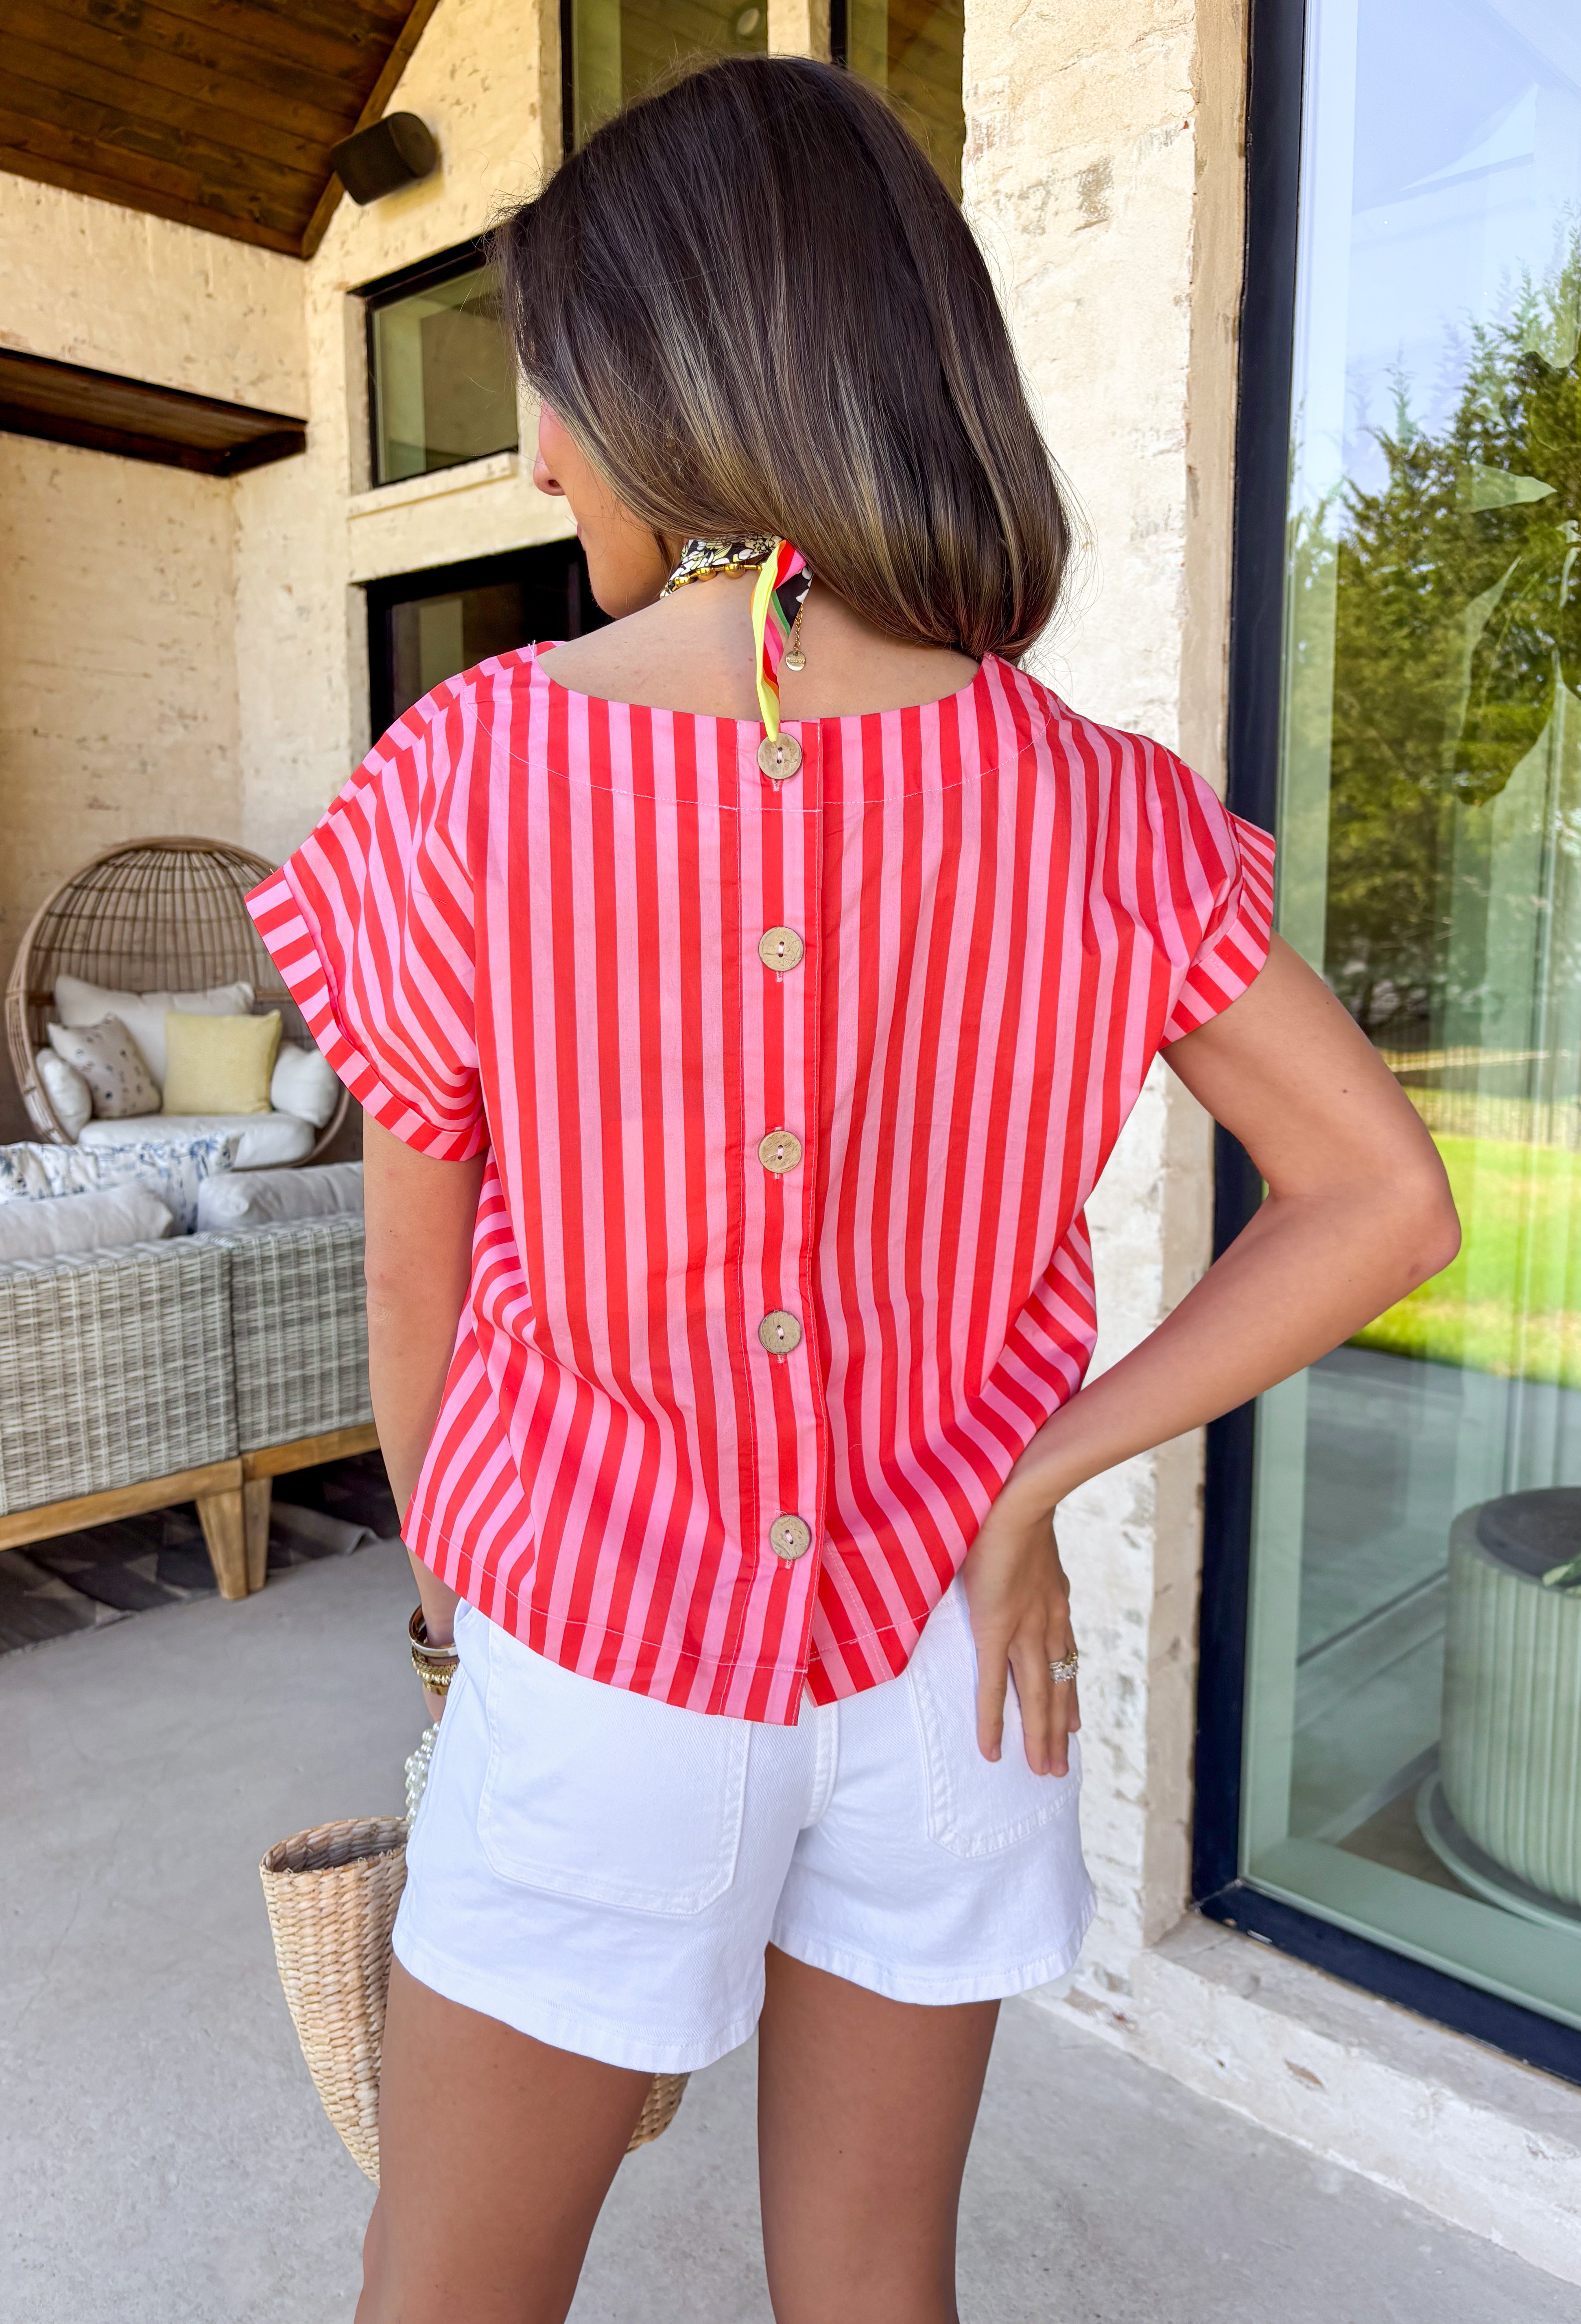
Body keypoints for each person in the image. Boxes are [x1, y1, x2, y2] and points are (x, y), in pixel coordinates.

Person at [249, 54, 1459, 2324]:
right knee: (881, 2289)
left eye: (562, 394)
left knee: (449, 2299)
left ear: (688, 390)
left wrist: (465, 1648)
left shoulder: (470, 780)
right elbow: (1382, 1198)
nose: (535, 457)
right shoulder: (1094, 799)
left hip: (603, 1666)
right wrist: (1034, 1490)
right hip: (949, 1678)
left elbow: (414, 1351)